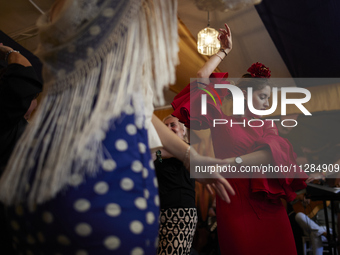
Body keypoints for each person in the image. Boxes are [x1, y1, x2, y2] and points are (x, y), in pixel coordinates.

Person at [0, 1, 234, 254]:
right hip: (92, 186)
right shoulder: (97, 61)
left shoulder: (182, 125)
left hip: (143, 199)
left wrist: (190, 155)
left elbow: (142, 110)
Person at [171, 23, 308, 255]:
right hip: (234, 205)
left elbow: (269, 154)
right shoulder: (219, 119)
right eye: (263, 97)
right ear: (244, 94)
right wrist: (223, 51)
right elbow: (202, 77)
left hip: (270, 209)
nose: (267, 103)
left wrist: (230, 163)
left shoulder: (267, 125)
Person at [154, 115, 197, 255]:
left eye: (172, 125)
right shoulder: (160, 154)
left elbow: (165, 152)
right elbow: (156, 155)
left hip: (180, 214)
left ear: (183, 130)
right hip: (160, 214)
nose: (168, 129)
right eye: (165, 127)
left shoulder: (189, 149)